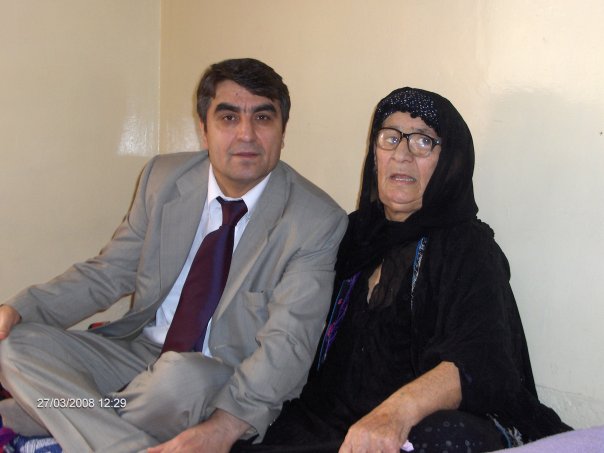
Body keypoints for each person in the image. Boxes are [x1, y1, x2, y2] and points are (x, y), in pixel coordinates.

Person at [0, 58, 348, 452]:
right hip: (140, 353)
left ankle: (57, 415)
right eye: (228, 117)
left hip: (216, 375)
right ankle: (104, 431)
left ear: (283, 130)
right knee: (14, 344)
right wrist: (23, 308)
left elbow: (289, 342)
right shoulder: (163, 179)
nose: (246, 134)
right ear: (204, 128)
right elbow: (108, 273)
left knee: (183, 378)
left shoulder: (315, 220)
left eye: (263, 118)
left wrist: (225, 427)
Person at [231, 87, 571, 453]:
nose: (402, 154)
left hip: (415, 426)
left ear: (450, 162)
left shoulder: (466, 246)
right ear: (375, 154)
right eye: (390, 138)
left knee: (444, 437)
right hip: (329, 425)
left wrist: (395, 414)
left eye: (423, 141)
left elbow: (481, 360)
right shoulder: (351, 235)